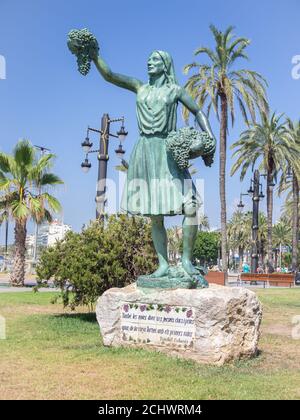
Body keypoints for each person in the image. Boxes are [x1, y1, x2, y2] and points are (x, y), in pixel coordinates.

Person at [91, 47, 215, 278]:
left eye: (155, 59)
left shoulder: (175, 90)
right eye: (148, 59)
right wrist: (93, 54)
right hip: (145, 151)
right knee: (154, 215)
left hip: (169, 149)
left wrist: (209, 136)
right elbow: (109, 75)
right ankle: (163, 265)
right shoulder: (140, 87)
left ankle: (186, 261)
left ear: (165, 64)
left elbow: (198, 112)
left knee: (191, 206)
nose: (150, 62)